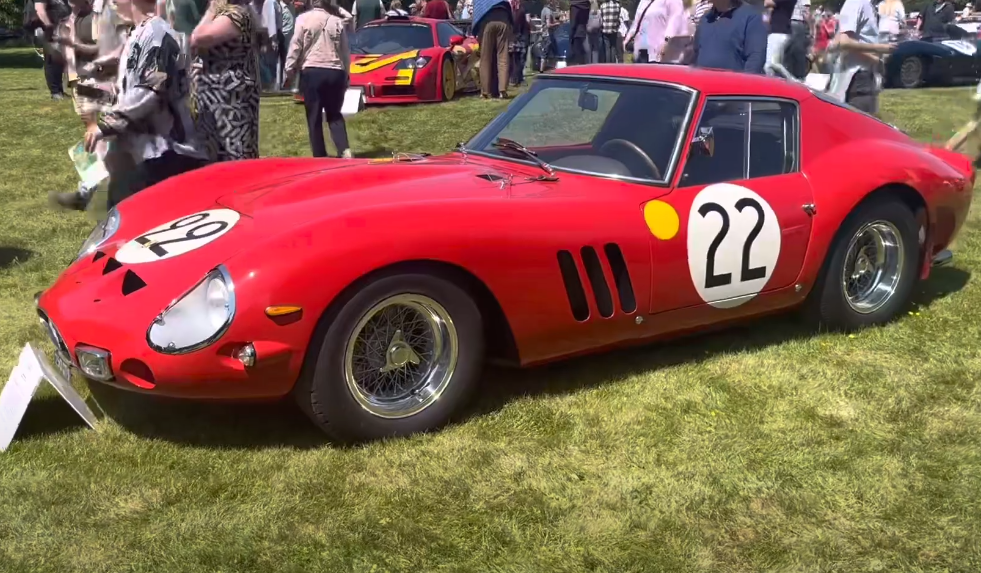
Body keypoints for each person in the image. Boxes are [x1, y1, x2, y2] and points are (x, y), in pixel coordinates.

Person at [85, 0, 207, 208]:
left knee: (131, 222)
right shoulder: (139, 33)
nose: (112, 2)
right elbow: (134, 87)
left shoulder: (157, 35)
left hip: (166, 154)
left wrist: (106, 125)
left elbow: (150, 90)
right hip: (141, 154)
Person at [190, 0, 261, 161]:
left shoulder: (235, 14)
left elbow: (197, 38)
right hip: (218, 96)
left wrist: (211, 10)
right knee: (215, 153)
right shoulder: (226, 14)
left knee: (235, 153)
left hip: (231, 99)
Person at [284, 0, 353, 158]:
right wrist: (347, 74)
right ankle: (344, 150)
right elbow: (344, 52)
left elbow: (296, 45)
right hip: (336, 71)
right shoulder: (336, 21)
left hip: (312, 70)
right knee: (334, 113)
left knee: (314, 116)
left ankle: (320, 154)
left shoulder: (302, 19)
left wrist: (289, 68)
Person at [828, 0, 895, 114]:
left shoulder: (869, 6)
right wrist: (879, 48)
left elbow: (839, 41)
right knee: (858, 126)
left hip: (866, 75)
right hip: (857, 78)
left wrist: (876, 61)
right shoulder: (855, 3)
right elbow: (845, 43)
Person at [691, 0, 767, 73]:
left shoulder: (751, 16)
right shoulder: (705, 19)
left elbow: (755, 59)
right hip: (702, 83)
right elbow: (696, 55)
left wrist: (745, 84)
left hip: (734, 84)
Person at [626, 0, 691, 64]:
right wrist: (628, 38)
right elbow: (637, 21)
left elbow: (674, 22)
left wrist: (667, 41)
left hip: (660, 53)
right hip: (640, 51)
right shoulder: (644, 1)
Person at [33, 0, 73, 99]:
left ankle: (60, 90)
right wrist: (48, 25)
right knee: (52, 60)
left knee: (62, 60)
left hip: (62, 29)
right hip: (51, 30)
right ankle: (55, 92)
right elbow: (39, 9)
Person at [473, 0, 513, 98]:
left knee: (485, 58)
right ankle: (502, 90)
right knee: (503, 57)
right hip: (503, 19)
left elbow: (478, 12)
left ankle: (485, 92)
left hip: (487, 21)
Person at [764, 0, 797, 78]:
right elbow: (768, 15)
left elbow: (766, 3)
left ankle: (793, 83)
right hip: (779, 32)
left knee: (770, 65)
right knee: (773, 66)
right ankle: (774, 87)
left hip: (779, 32)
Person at [509, 0, 530, 83]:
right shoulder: (523, 9)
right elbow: (527, 22)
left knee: (515, 59)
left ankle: (514, 78)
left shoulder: (511, 11)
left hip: (514, 37)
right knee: (521, 59)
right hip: (523, 37)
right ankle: (519, 77)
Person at [567, 0, 589, 65]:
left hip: (576, 33)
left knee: (576, 56)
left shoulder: (574, 6)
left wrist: (570, 36)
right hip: (583, 31)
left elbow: (573, 24)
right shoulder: (586, 4)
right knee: (582, 54)